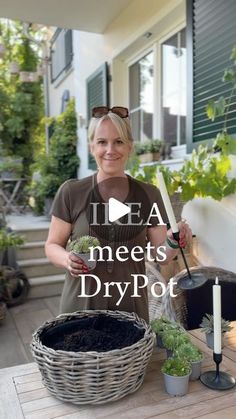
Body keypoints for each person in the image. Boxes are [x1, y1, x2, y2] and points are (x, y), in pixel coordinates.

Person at [45, 106, 192, 323]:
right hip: (80, 308)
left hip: (130, 310)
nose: (110, 149)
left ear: (130, 147)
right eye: (102, 142)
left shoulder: (149, 194)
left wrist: (172, 242)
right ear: (91, 147)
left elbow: (160, 255)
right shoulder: (71, 192)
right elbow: (51, 245)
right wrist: (68, 259)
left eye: (119, 141)